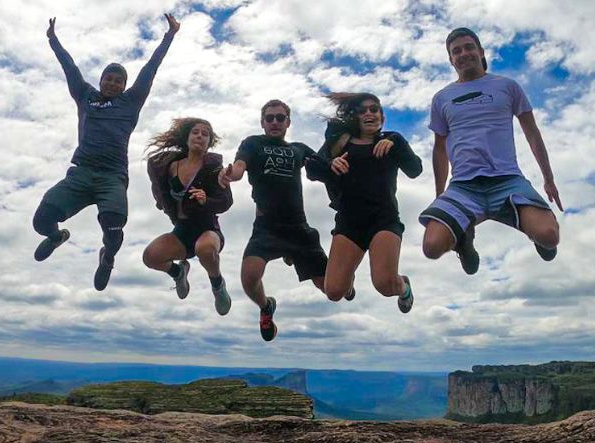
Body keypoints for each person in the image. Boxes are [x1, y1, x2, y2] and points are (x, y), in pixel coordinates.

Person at [32, 14, 179, 291]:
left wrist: (169, 35)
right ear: (101, 81)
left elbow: (151, 67)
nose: (112, 84)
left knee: (113, 230)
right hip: (81, 174)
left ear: (124, 85)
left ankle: (107, 257)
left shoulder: (131, 101)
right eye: (108, 79)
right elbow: (69, 68)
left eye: (118, 81)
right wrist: (53, 40)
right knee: (41, 221)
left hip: (112, 178)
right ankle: (56, 237)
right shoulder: (85, 95)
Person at [419, 27, 563, 275]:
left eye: (469, 47)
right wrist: (439, 194)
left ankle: (532, 230)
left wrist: (548, 179)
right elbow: (440, 149)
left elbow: (532, 133)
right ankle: (464, 239)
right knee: (431, 247)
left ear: (481, 51)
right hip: (464, 186)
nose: (463, 54)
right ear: (451, 60)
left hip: (507, 180)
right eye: (456, 51)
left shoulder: (507, 86)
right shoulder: (442, 98)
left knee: (549, 236)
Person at [220, 100, 348, 341]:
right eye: (270, 118)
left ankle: (344, 279)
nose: (275, 122)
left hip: (298, 228)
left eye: (280, 118)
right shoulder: (253, 143)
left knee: (333, 292)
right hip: (266, 227)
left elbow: (324, 165)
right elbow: (238, 167)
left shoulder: (299, 149)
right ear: (262, 122)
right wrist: (230, 175)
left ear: (288, 122)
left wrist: (335, 160)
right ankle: (266, 306)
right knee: (249, 278)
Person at [314, 93, 422, 313]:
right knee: (333, 291)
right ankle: (348, 278)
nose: (369, 113)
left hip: (383, 220)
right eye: (362, 111)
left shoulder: (391, 141)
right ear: (355, 117)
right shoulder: (340, 142)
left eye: (374, 109)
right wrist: (331, 163)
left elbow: (415, 170)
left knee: (384, 285)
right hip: (349, 223)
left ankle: (404, 287)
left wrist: (396, 141)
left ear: (382, 116)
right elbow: (312, 168)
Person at [143, 118, 233, 315]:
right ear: (187, 138)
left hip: (208, 229)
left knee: (205, 248)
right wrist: (162, 202)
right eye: (195, 132)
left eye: (205, 134)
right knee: (150, 257)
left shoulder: (214, 169)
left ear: (209, 142)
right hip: (182, 231)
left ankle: (217, 285)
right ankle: (178, 272)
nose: (200, 136)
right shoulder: (169, 166)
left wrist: (206, 200)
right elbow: (159, 188)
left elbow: (226, 202)